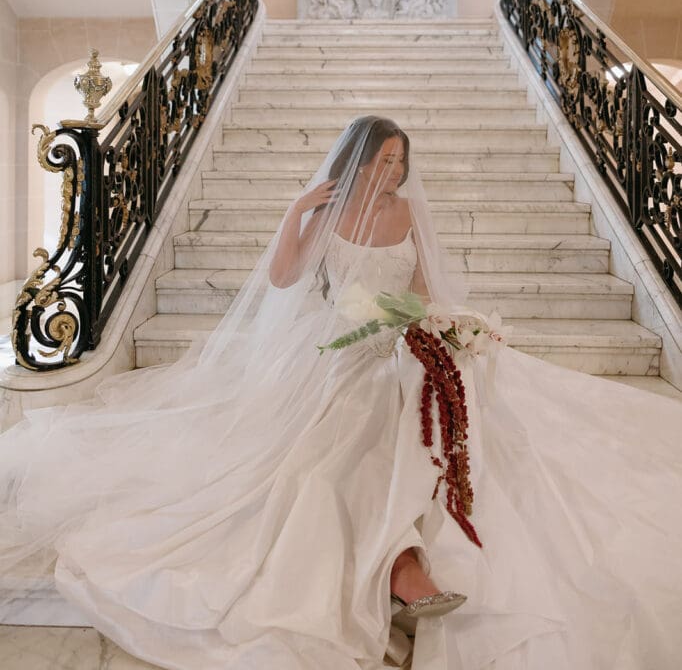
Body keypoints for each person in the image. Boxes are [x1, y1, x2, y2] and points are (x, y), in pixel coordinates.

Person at [1, 115, 682, 670]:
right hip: (337, 343)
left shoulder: (408, 210)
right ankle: (401, 566)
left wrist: (432, 327)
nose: (392, 170)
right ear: (357, 159)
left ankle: (403, 562)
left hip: (401, 335)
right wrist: (298, 211)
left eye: (399, 160)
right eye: (383, 159)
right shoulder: (327, 210)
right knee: (350, 426)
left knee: (419, 401)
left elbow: (423, 288)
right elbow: (284, 279)